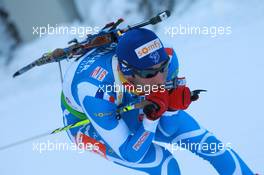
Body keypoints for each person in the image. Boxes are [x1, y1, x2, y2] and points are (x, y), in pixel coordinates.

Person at [61, 28, 254, 174]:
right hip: (89, 123)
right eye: (149, 73)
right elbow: (130, 154)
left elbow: (171, 129)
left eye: (163, 68)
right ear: (127, 72)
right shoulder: (94, 91)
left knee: (208, 144)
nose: (160, 78)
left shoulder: (168, 57)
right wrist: (151, 119)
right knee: (166, 165)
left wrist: (169, 107)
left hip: (134, 100)